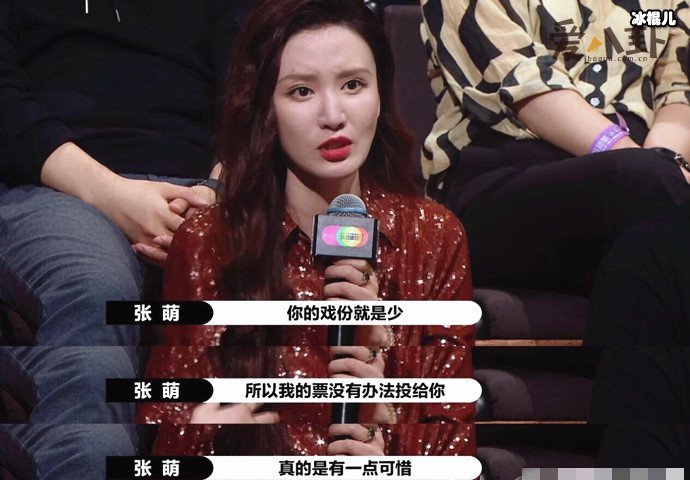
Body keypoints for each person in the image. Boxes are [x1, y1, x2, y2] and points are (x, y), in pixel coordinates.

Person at [137, 0, 475, 457]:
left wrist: (386, 426)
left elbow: (453, 442)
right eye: (301, 91)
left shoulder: (433, 236)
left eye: (353, 84)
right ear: (265, 108)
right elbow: (178, 444)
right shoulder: (210, 240)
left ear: (381, 94)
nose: (333, 115)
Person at [0, 1, 251, 478]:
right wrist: (112, 194)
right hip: (55, 180)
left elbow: (255, 77)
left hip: (207, 186)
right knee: (93, 287)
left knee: (266, 282)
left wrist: (216, 190)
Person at [421, 0, 690, 294]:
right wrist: (650, 165)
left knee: (653, 217)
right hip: (503, 177)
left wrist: (668, 162)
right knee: (649, 193)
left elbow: (678, 88)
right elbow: (520, 80)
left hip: (639, 180)